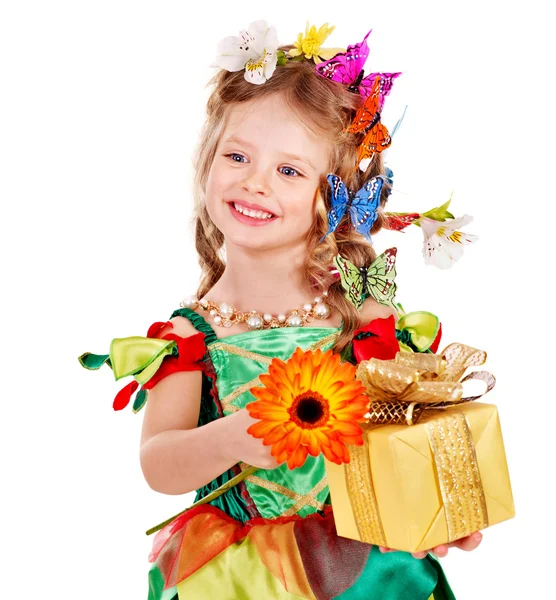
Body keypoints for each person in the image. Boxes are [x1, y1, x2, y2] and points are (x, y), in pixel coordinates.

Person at [83, 21, 482, 600]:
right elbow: (158, 465)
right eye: (238, 155)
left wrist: (448, 500)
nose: (254, 183)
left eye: (290, 170)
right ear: (207, 160)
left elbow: (412, 428)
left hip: (368, 570)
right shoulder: (193, 335)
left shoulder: (362, 315)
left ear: (334, 194)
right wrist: (228, 439)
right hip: (236, 576)